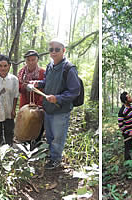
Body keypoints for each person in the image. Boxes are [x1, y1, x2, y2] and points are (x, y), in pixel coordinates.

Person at [35, 38, 81, 169]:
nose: (53, 52)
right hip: (48, 108)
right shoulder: (50, 66)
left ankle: (56, 159)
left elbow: (74, 91)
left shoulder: (69, 68)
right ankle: (52, 155)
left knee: (58, 137)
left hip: (61, 110)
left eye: (57, 49)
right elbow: (47, 82)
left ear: (63, 50)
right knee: (49, 135)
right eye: (51, 49)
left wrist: (58, 98)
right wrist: (38, 84)